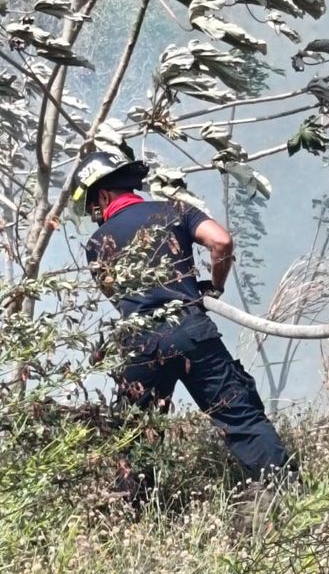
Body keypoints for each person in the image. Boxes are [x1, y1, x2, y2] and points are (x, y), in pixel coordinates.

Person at [74, 150, 292, 483]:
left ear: (103, 195)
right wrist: (214, 287)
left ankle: (136, 509)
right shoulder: (174, 210)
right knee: (239, 416)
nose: (96, 216)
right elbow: (221, 241)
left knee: (136, 436)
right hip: (191, 330)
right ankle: (284, 490)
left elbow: (115, 296)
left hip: (140, 343)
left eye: (94, 207)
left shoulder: (96, 243)